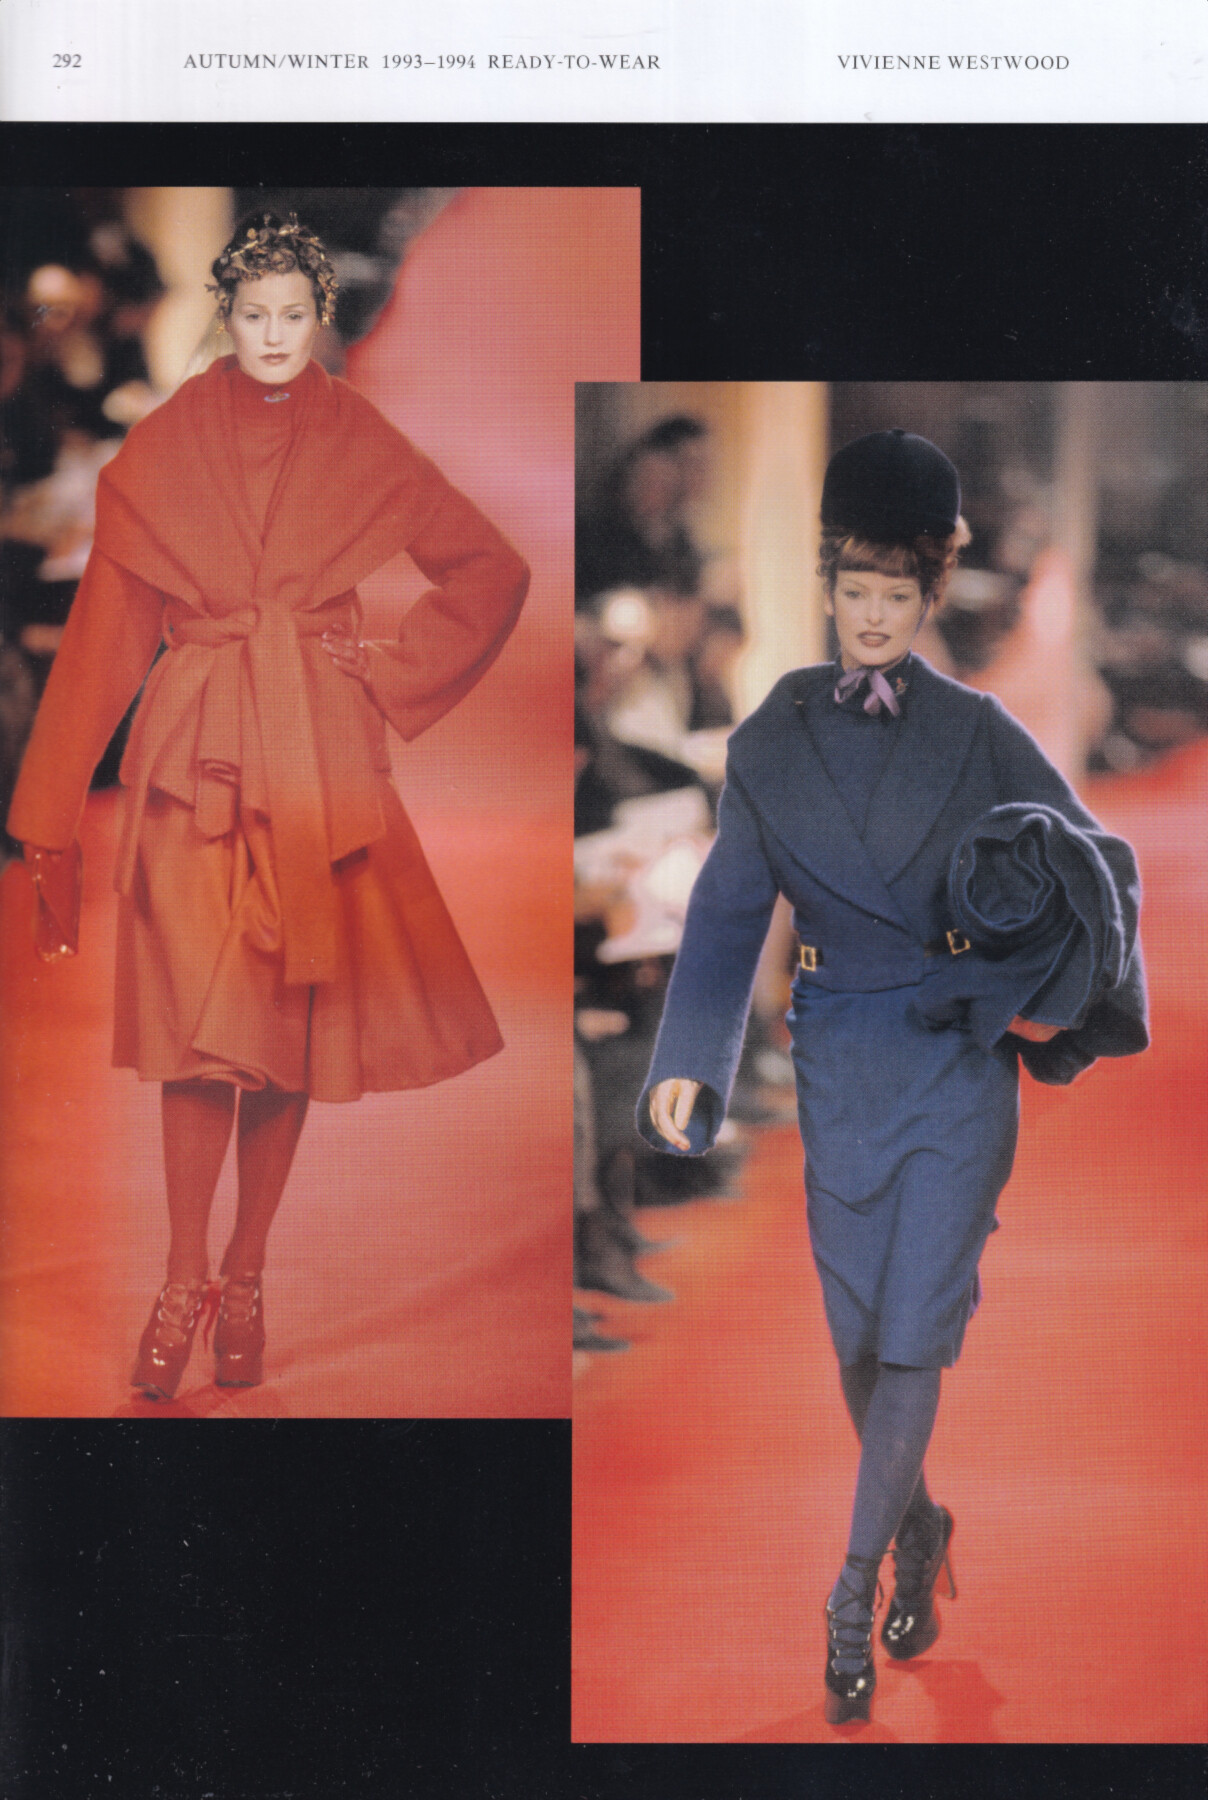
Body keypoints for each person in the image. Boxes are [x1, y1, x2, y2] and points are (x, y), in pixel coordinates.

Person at [638, 430, 1147, 1725]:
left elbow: (1095, 862)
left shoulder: (976, 732)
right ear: (826, 588)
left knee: (915, 1327)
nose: (872, 617)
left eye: (897, 595)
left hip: (953, 1057)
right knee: (858, 1338)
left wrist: (1037, 983)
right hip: (839, 1054)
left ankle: (851, 1587)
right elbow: (726, 909)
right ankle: (919, 1524)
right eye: (853, 591)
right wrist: (689, 1060)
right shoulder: (774, 735)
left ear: (931, 596)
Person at [7, 212, 529, 1401]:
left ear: (320, 320)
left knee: (285, 1028)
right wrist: (49, 810)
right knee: (199, 1029)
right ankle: (182, 1275)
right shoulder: (162, 448)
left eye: (295, 314)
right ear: (227, 319)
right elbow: (105, 635)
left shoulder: (363, 439)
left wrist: (387, 669)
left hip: (311, 758)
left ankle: (245, 1271)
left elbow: (489, 569)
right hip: (192, 764)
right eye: (255, 314)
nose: (276, 334)